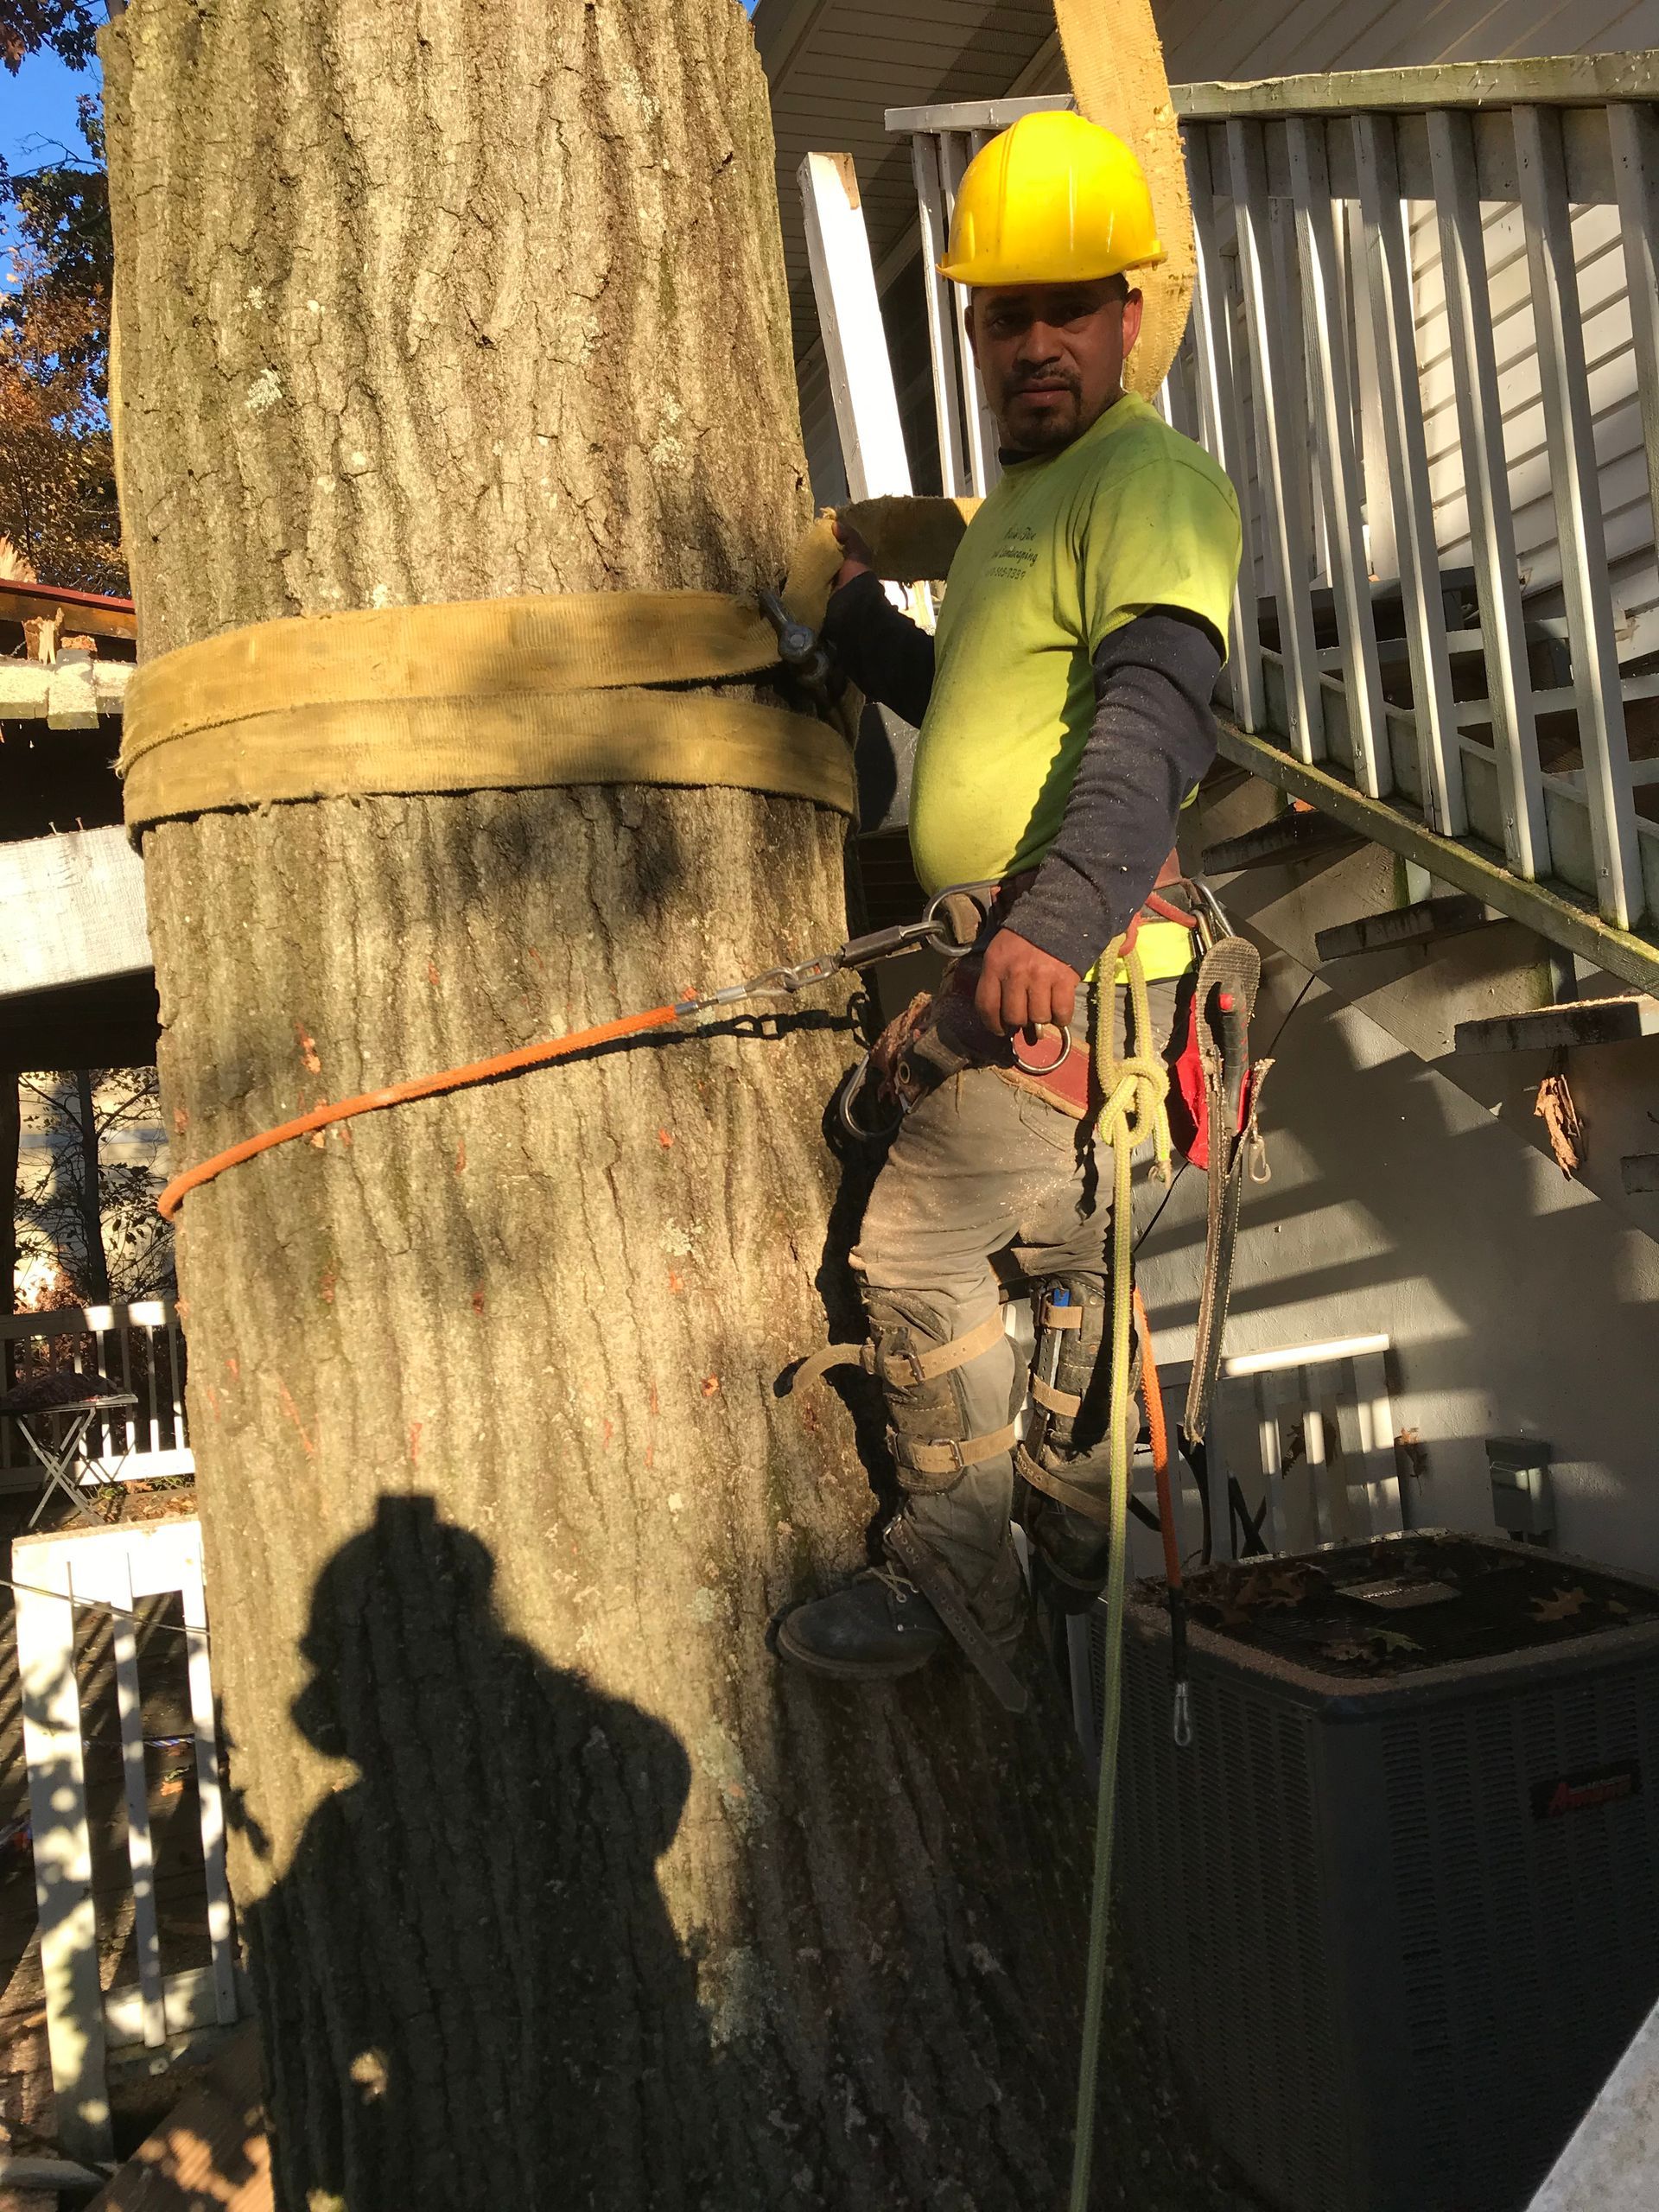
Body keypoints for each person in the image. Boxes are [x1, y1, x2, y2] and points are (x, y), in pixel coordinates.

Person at [776, 109, 1243, 1692]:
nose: (1036, 342)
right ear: (973, 328)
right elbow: (983, 702)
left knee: (912, 1257)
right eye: (1006, 314)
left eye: (1069, 309)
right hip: (1058, 963)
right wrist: (857, 628)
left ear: (1129, 312)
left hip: (1067, 962)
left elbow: (1157, 702)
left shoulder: (1149, 480)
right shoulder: (1018, 516)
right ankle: (1074, 1524)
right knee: (1054, 1268)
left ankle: (949, 1588)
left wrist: (1056, 920)